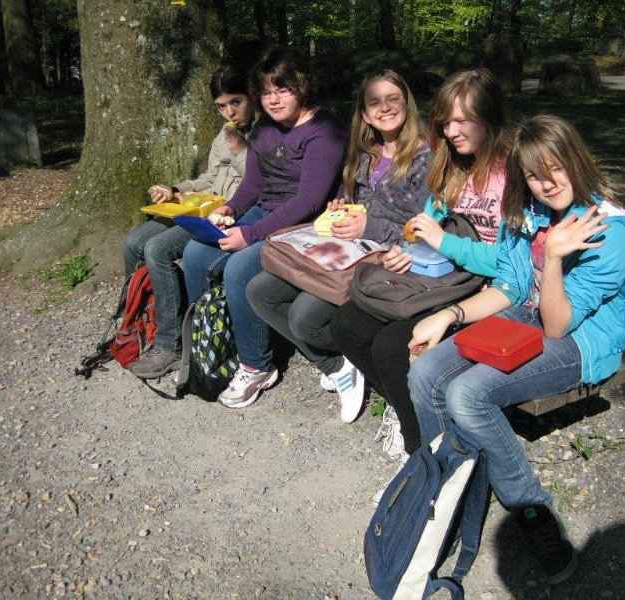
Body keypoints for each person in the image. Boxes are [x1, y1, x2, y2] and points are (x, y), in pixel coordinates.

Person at [408, 114, 625, 584]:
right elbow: (514, 286)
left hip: (580, 340)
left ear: (575, 162)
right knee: (425, 372)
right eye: (534, 175)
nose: (546, 183)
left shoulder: (611, 233)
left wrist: (553, 256)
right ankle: (446, 484)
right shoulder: (530, 213)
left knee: (468, 395)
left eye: (555, 168)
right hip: (529, 315)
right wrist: (449, 315)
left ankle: (533, 512)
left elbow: (557, 325)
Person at [328, 68, 510, 492]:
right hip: (440, 279)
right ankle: (404, 406)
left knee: (393, 345)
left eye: (463, 120)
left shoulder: (508, 176)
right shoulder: (448, 168)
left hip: (483, 292)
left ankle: (420, 452)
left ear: (490, 116)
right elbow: (422, 229)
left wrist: (444, 244)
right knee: (348, 324)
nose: (451, 130)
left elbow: (510, 264)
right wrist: (408, 252)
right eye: (446, 121)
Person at [247, 69, 432, 423]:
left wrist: (370, 225)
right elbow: (349, 195)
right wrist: (339, 206)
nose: (385, 108)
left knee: (304, 318)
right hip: (342, 250)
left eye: (394, 99)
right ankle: (338, 365)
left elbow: (422, 234)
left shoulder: (426, 159)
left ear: (407, 104)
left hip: (385, 262)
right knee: (260, 291)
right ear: (364, 113)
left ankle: (350, 357)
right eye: (374, 102)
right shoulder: (364, 153)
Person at [182, 47, 346, 409]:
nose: (273, 99)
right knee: (195, 253)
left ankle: (256, 365)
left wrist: (250, 234)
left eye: (282, 89)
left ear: (301, 87)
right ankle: (210, 342)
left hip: (306, 224)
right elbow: (252, 185)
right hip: (264, 211)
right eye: (267, 92)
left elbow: (309, 200)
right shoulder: (263, 129)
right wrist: (230, 208)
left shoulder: (323, 130)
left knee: (240, 269)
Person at [124, 65, 256, 379]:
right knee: (133, 243)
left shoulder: (264, 133)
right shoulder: (223, 134)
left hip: (229, 216)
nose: (229, 112)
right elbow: (210, 178)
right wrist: (176, 190)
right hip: (201, 206)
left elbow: (260, 183)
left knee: (157, 249)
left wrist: (240, 149)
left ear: (252, 96)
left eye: (235, 102)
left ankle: (173, 345)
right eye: (221, 107)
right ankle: (139, 321)